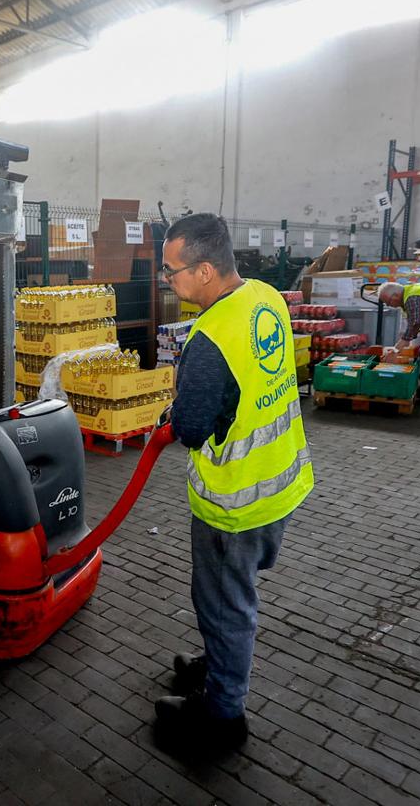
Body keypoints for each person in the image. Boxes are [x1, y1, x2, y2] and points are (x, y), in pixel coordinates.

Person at [154, 213, 314, 753]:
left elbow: (194, 428)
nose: (166, 281)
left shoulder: (209, 338)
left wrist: (174, 416)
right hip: (282, 482)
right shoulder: (265, 295)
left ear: (203, 270)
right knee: (231, 598)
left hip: (235, 501)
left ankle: (223, 714)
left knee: (225, 604)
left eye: (171, 272)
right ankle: (216, 664)